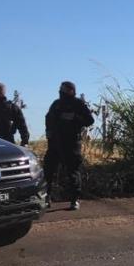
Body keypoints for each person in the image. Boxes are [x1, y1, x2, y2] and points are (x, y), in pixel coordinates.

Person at [44, 81, 94, 211]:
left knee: (73, 172)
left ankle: (74, 199)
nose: (61, 91)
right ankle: (47, 197)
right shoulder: (56, 104)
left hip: (71, 143)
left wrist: (74, 117)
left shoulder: (78, 104)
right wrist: (48, 132)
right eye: (60, 89)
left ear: (71, 90)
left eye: (64, 89)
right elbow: (48, 118)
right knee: (48, 171)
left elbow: (90, 120)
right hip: (55, 143)